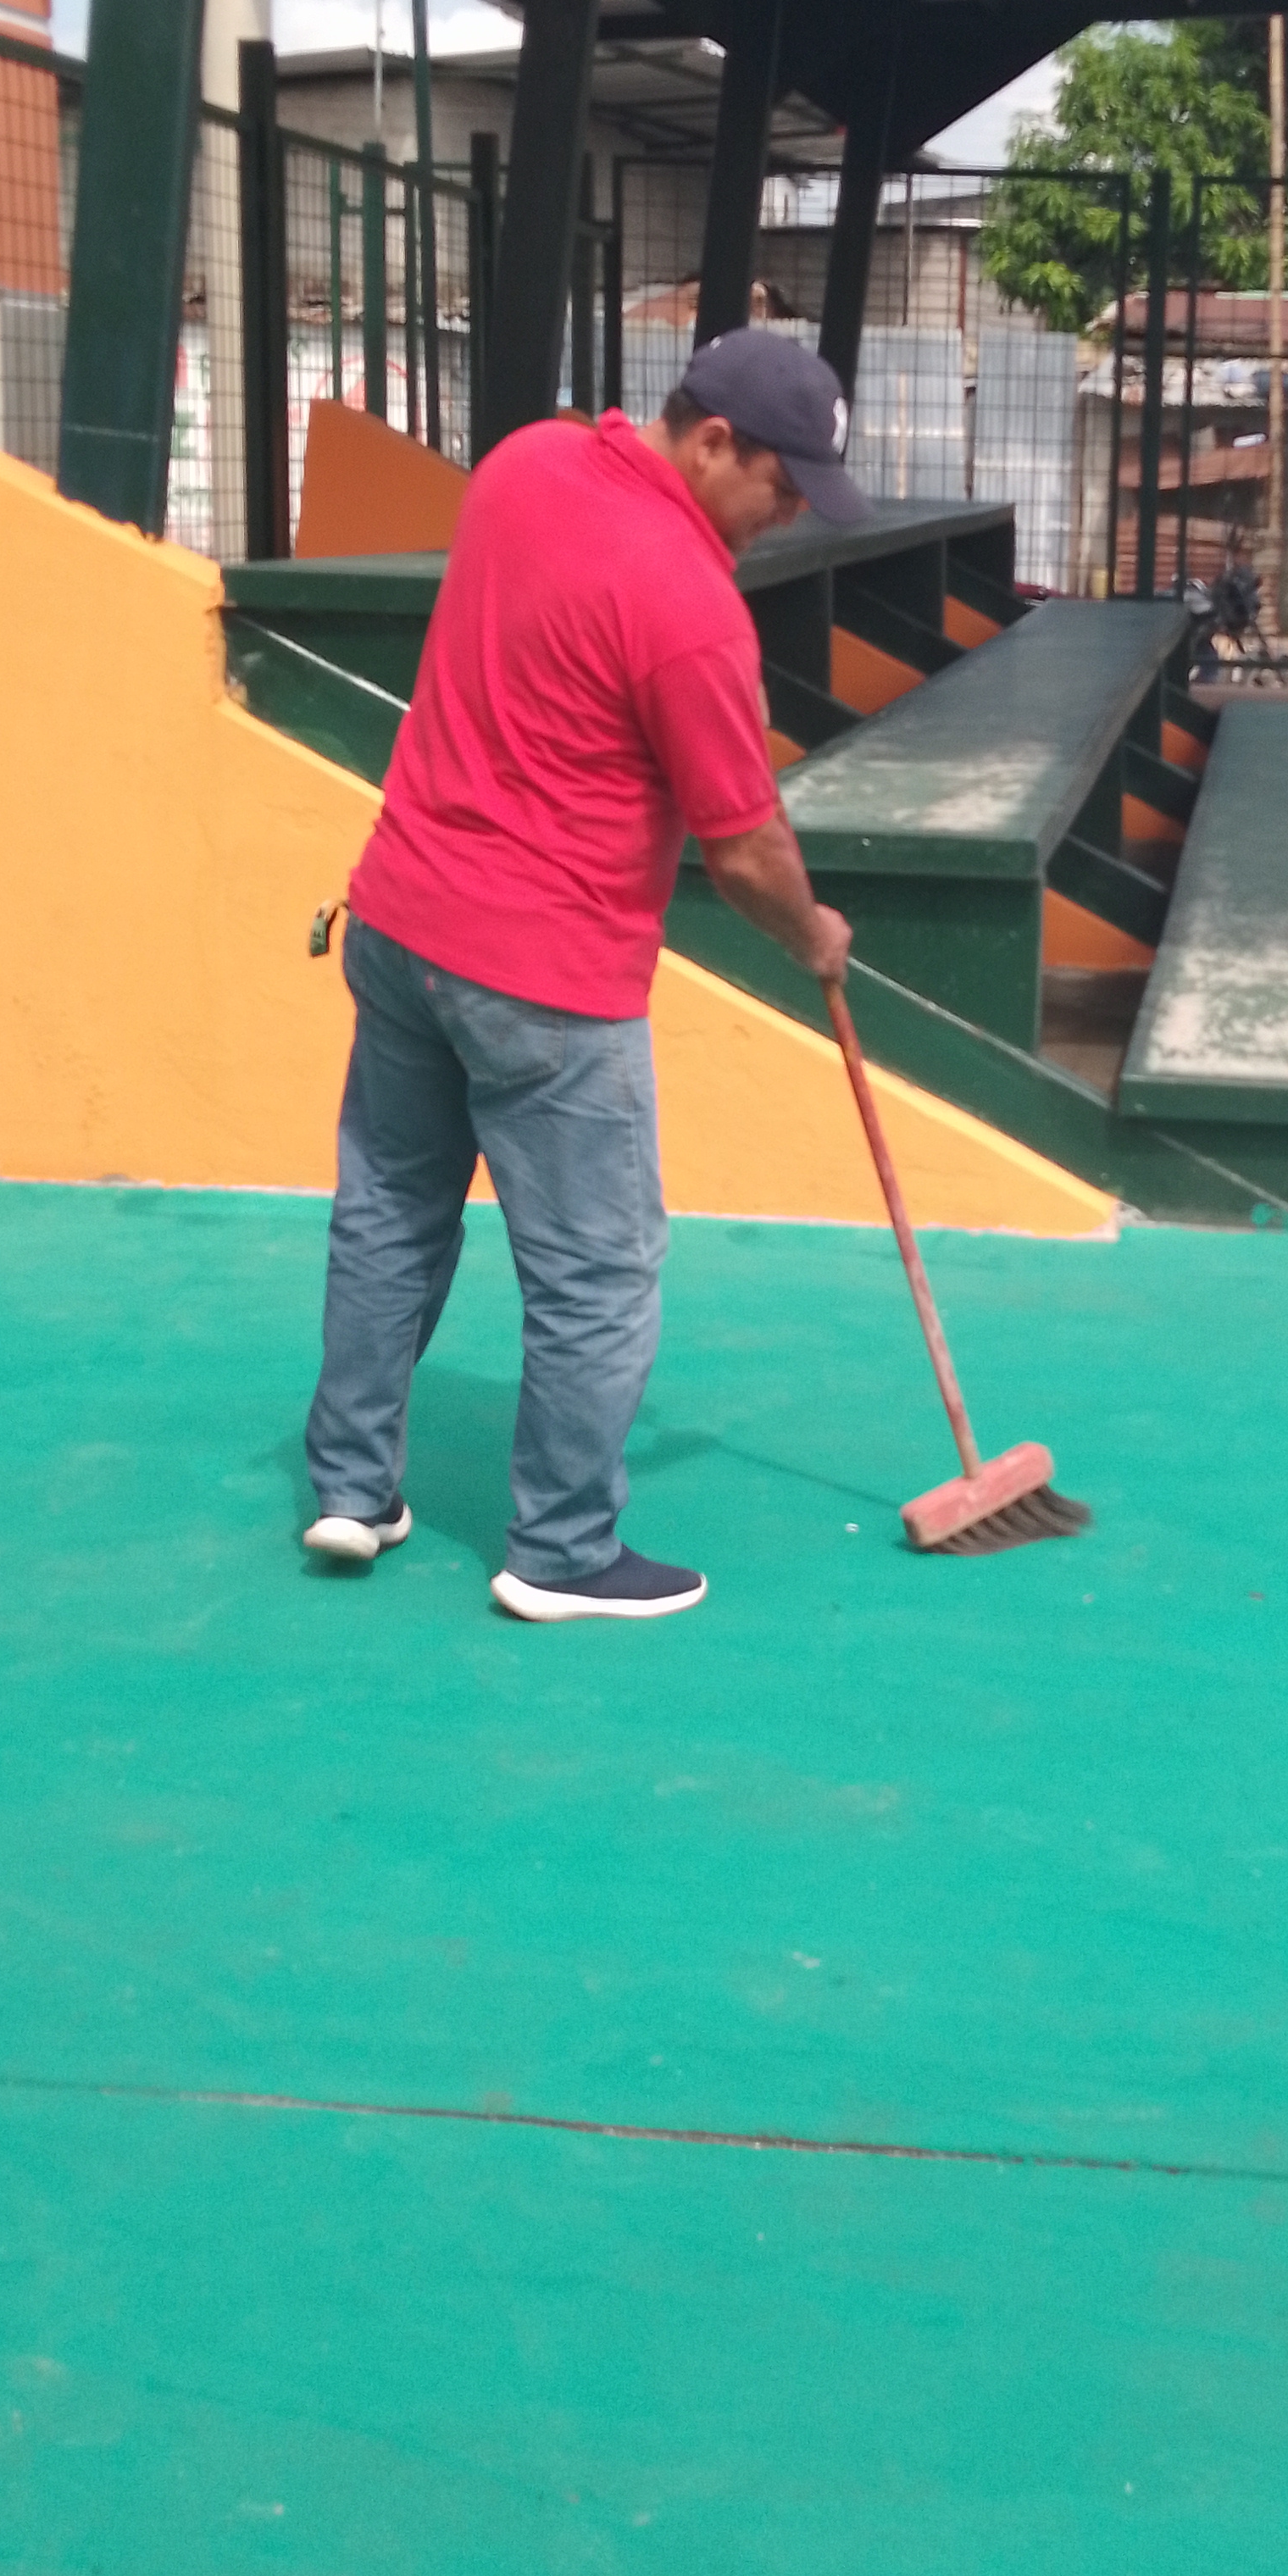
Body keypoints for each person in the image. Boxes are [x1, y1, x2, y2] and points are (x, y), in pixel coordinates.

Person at [302, 326, 862, 1622]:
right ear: (713, 440)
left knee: (390, 1212)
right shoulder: (693, 610)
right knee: (597, 1271)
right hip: (542, 977)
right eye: (783, 486)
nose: (789, 516)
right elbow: (743, 851)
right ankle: (560, 1550)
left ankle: (350, 1489)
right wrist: (815, 936)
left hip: (400, 922)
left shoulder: (523, 465)